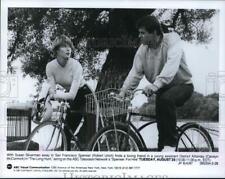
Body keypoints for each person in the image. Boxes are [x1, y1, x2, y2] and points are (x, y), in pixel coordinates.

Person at [119, 16, 194, 152]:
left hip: (183, 85)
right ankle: (163, 154)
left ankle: (171, 144)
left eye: (142, 33)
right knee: (161, 126)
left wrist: (155, 85)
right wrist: (123, 91)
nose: (139, 36)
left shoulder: (172, 40)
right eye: (139, 32)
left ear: (154, 32)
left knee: (166, 100)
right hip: (162, 88)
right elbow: (135, 72)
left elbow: (171, 66)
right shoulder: (143, 49)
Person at [46, 35, 92, 150]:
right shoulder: (50, 67)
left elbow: (71, 95)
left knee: (91, 135)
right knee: (66, 134)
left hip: (85, 95)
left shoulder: (76, 65)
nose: (68, 49)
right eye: (64, 46)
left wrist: (55, 95)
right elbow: (52, 88)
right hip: (72, 98)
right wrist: (48, 102)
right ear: (56, 50)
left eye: (70, 46)